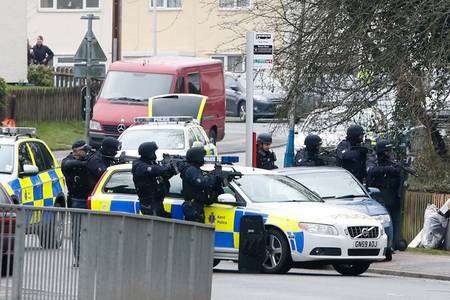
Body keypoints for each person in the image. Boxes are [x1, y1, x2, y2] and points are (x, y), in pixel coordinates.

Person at [61, 140, 92, 267]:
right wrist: (85, 163)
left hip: (93, 200)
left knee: (93, 231)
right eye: (74, 151)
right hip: (77, 200)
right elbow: (67, 165)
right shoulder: (69, 160)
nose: (75, 153)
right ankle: (79, 259)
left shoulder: (92, 158)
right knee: (77, 231)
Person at [367, 140, 402, 250]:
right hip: (380, 200)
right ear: (382, 152)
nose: (389, 153)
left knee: (395, 223)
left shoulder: (393, 163)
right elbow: (370, 170)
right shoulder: (374, 162)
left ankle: (394, 245)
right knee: (384, 223)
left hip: (394, 198)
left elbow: (400, 178)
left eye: (390, 151)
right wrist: (386, 169)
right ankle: (385, 245)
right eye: (387, 151)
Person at [132, 142, 176, 217]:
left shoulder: (151, 163)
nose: (155, 154)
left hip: (157, 201)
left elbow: (163, 175)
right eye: (154, 152)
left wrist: (173, 169)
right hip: (149, 204)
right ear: (149, 153)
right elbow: (155, 170)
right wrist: (166, 166)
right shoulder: (139, 165)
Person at [180, 147, 221, 223]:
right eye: (202, 157)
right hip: (193, 207)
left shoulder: (196, 169)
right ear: (196, 157)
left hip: (197, 206)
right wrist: (214, 175)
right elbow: (202, 182)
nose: (203, 159)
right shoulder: (191, 170)